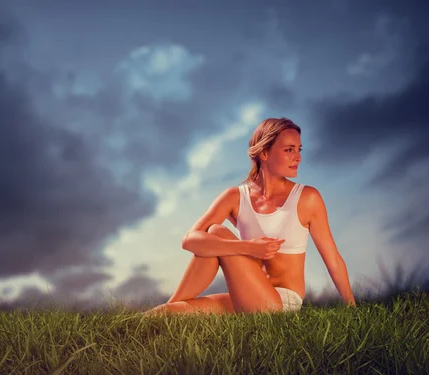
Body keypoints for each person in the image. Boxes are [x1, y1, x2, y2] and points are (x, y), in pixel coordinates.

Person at [145, 117, 356, 315]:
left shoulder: (307, 198)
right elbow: (189, 241)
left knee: (217, 234)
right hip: (245, 294)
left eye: (298, 149)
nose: (298, 157)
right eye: (289, 150)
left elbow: (333, 259)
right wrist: (249, 248)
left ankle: (168, 305)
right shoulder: (235, 196)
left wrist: (352, 308)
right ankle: (165, 308)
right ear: (264, 153)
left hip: (280, 304)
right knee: (170, 313)